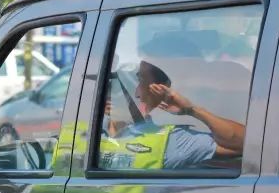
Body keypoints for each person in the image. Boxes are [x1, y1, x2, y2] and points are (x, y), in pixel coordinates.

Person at [99, 60, 245, 170]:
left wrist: (192, 110)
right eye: (114, 84)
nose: (115, 91)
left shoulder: (170, 139)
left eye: (133, 84)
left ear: (152, 95)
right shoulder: (79, 129)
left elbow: (245, 144)